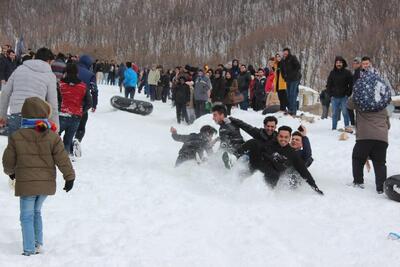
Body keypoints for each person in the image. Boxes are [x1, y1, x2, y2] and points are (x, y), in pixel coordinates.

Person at [2, 97, 75, 256]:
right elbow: (62, 158)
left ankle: (29, 249)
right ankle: (38, 243)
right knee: (36, 212)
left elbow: (8, 160)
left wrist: (11, 172)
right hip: (45, 185)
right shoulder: (52, 136)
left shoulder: (17, 136)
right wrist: (69, 177)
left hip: (27, 185)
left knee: (26, 216)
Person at [238, 126, 323, 194]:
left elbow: (304, 171)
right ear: (277, 136)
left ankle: (268, 193)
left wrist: (315, 187)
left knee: (274, 174)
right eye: (281, 136)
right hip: (260, 164)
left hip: (273, 171)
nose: (283, 139)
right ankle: (235, 157)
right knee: (254, 142)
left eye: (286, 137)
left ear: (289, 138)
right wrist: (272, 154)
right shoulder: (271, 143)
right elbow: (260, 147)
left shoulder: (292, 153)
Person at [0, 47, 59, 135]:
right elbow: (53, 103)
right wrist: (55, 126)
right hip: (36, 120)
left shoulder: (19, 69)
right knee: (31, 148)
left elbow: (5, 93)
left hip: (16, 115)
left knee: (14, 147)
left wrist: (2, 117)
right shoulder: (50, 76)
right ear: (49, 61)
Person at [348, 89, 390, 193]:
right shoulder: (383, 106)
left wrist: (355, 93)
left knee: (358, 158)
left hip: (365, 137)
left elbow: (348, 104)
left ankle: (358, 182)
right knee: (380, 162)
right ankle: (381, 188)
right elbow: (388, 125)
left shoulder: (361, 102)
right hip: (381, 138)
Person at [58, 63, 92, 156]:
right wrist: (81, 111)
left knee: (55, 137)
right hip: (76, 117)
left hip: (61, 115)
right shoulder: (83, 86)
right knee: (68, 140)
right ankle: (65, 156)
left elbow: (56, 99)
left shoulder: (60, 85)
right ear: (77, 73)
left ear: (65, 72)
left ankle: (55, 155)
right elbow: (89, 103)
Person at [74, 54, 98, 156]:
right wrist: (94, 104)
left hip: (67, 101)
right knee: (81, 125)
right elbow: (94, 90)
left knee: (68, 125)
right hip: (82, 103)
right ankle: (77, 139)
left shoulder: (71, 69)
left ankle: (66, 144)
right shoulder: (90, 74)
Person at [326, 56, 353, 132]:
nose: (338, 64)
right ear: (335, 64)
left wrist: (348, 93)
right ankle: (334, 128)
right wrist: (330, 94)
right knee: (334, 113)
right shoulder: (332, 73)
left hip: (344, 97)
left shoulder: (347, 73)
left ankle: (347, 128)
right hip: (334, 97)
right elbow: (328, 84)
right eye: (337, 63)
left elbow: (351, 84)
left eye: (340, 63)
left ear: (343, 63)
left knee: (345, 113)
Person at [281, 48, 301, 115]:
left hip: (295, 79)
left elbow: (298, 66)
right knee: (288, 95)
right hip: (288, 80)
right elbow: (282, 70)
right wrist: (284, 77)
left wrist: (293, 74)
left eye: (286, 52)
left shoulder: (292, 58)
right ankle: (290, 109)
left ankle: (293, 111)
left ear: (288, 52)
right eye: (284, 52)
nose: (285, 54)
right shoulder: (283, 60)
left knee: (293, 94)